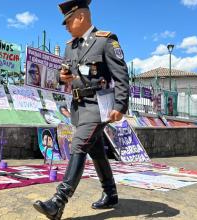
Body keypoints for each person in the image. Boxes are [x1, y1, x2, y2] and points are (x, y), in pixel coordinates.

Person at [33, 0, 130, 219]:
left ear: (81, 17)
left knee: (78, 144)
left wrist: (120, 105)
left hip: (98, 105)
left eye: (68, 21)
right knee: (95, 150)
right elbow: (64, 73)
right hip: (78, 106)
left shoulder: (105, 41)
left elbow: (121, 75)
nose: (66, 26)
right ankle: (111, 193)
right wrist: (62, 77)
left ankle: (58, 202)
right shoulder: (70, 46)